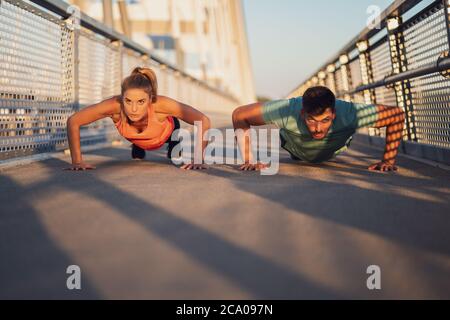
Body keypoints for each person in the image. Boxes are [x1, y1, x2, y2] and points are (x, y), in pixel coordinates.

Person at [66, 67, 210, 170]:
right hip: (137, 139)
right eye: (128, 101)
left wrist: (198, 159)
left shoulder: (161, 104)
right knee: (137, 154)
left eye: (141, 102)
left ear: (150, 99)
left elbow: (203, 120)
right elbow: (74, 121)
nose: (133, 109)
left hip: (167, 134)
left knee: (174, 154)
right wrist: (77, 161)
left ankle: (172, 145)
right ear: (122, 98)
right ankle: (138, 145)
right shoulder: (114, 107)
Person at [232, 86, 405, 172]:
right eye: (311, 120)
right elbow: (239, 114)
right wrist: (249, 159)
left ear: (334, 114)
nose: (317, 128)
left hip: (332, 150)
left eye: (325, 120)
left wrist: (388, 160)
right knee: (293, 139)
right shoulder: (286, 110)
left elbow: (396, 115)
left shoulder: (350, 113)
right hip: (296, 149)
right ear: (302, 113)